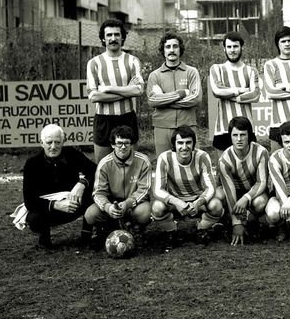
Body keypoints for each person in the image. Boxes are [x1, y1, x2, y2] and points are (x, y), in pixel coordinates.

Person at [20, 124, 97, 249]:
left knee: (96, 192)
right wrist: (56, 205)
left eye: (57, 142)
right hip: (49, 210)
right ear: (41, 143)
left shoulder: (72, 154)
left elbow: (95, 170)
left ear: (63, 141)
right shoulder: (32, 164)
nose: (53, 147)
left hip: (74, 203)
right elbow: (30, 200)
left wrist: (82, 184)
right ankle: (44, 237)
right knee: (33, 218)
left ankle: (87, 234)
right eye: (49, 142)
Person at [151, 126, 224, 247]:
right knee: (157, 207)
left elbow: (211, 187)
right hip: (175, 202)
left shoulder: (202, 156)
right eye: (180, 143)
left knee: (216, 205)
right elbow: (157, 190)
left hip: (197, 202)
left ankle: (201, 229)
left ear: (193, 144)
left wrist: (198, 202)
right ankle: (172, 231)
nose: (184, 147)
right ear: (174, 144)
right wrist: (177, 202)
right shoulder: (164, 158)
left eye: (188, 143)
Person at [87, 18, 145, 162]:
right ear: (103, 38)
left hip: (126, 117)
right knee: (103, 165)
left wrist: (108, 89)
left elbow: (139, 90)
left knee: (130, 165)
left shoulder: (132, 61)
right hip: (103, 119)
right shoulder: (94, 63)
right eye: (109, 35)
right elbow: (94, 96)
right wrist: (126, 91)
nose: (113, 38)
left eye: (117, 35)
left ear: (123, 37)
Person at [83, 125, 152, 238]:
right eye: (119, 143)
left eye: (126, 143)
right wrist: (108, 207)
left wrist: (128, 203)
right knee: (90, 214)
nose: (123, 147)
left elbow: (144, 190)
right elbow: (98, 193)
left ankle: (136, 228)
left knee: (145, 212)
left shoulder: (143, 161)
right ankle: (106, 227)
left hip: (133, 204)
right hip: (111, 203)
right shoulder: (104, 163)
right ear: (113, 144)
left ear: (132, 144)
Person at [216, 116, 269, 246]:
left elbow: (261, 182)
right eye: (235, 135)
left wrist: (246, 198)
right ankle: (227, 220)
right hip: (233, 191)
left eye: (243, 135)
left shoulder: (261, 152)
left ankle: (251, 220)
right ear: (230, 136)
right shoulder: (224, 159)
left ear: (249, 135)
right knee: (219, 196)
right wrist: (236, 223)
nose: (239, 139)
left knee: (261, 202)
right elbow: (229, 191)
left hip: (252, 192)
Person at [146, 32, 202, 155]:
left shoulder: (191, 72)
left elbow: (196, 98)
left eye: (175, 46)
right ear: (163, 50)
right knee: (165, 165)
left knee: (190, 164)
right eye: (168, 47)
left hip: (187, 125)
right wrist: (181, 93)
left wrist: (164, 100)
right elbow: (152, 101)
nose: (171, 50)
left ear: (180, 49)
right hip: (162, 127)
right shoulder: (155, 75)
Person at [209, 32, 260, 151]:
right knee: (224, 169)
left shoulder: (251, 71)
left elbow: (255, 95)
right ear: (224, 49)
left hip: (246, 130)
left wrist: (228, 95)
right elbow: (217, 91)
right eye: (229, 47)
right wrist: (241, 90)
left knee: (248, 168)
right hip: (223, 129)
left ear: (242, 48)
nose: (232, 50)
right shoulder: (216, 69)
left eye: (235, 46)